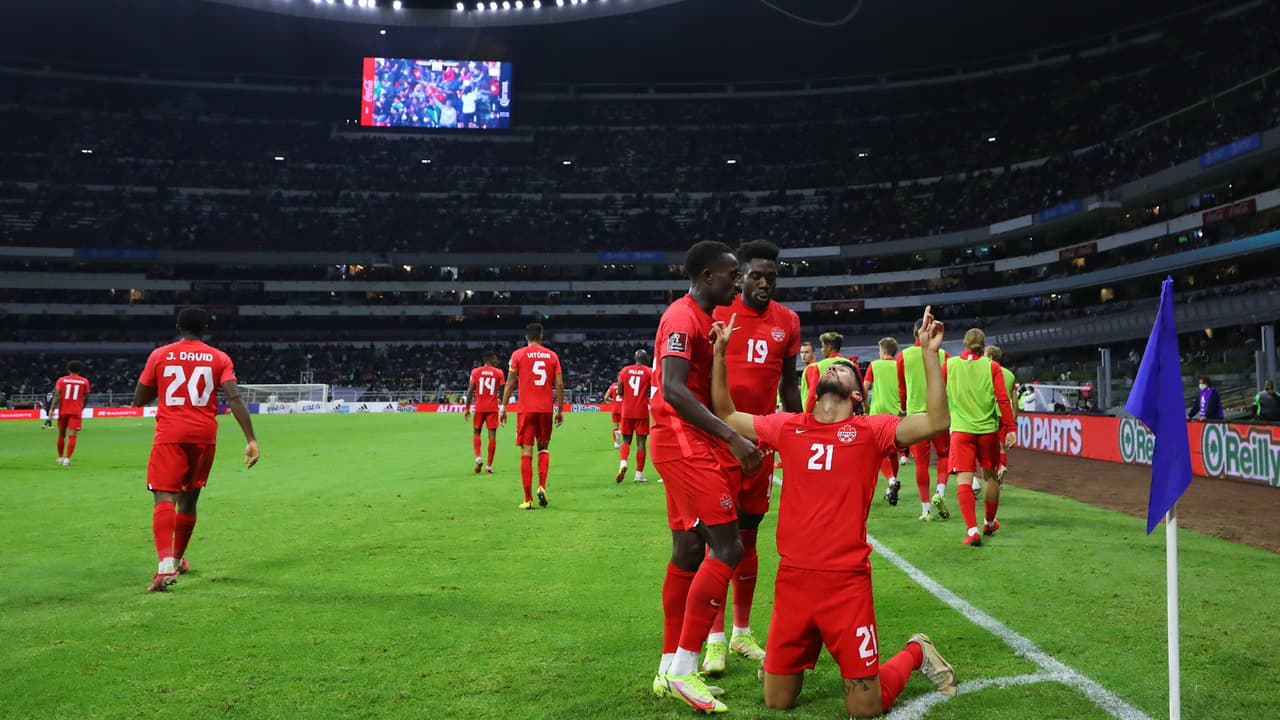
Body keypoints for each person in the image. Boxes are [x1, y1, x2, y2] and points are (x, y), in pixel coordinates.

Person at [710, 306, 958, 717]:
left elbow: (936, 421)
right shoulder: (788, 425)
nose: (837, 367)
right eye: (834, 367)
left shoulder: (872, 430)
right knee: (777, 702)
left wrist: (930, 354)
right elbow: (726, 414)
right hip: (793, 581)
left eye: (846, 370)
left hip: (846, 584)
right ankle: (781, 666)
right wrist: (720, 355)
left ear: (857, 395)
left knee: (865, 708)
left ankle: (917, 651)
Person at [650, 240, 762, 713]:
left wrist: (719, 354)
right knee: (728, 546)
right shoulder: (682, 318)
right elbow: (673, 390)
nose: (738, 283)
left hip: (686, 441)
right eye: (732, 275)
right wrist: (733, 438)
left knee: (689, 550)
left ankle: (667, 667)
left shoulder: (702, 319)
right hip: (683, 442)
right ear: (707, 276)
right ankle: (684, 669)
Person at [702, 239, 803, 678]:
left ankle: (741, 632)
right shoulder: (718, 313)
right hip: (718, 442)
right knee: (719, 540)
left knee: (749, 537)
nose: (765, 284)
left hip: (761, 446)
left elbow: (789, 387)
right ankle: (714, 638)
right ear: (740, 276)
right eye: (757, 276)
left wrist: (802, 434)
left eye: (771, 277)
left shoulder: (788, 321)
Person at [131, 308, 259, 592]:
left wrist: (161, 386)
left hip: (170, 434)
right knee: (189, 499)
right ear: (205, 330)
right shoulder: (219, 358)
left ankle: (166, 566)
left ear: (178, 327)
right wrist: (251, 439)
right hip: (204, 435)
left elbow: (139, 399)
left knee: (164, 495)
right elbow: (234, 397)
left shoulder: (160, 355)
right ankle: (178, 560)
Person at [946, 329, 1016, 546]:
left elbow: (936, 392)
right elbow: (1003, 400)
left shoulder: (950, 365)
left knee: (964, 480)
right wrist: (1010, 428)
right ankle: (989, 523)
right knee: (991, 477)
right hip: (987, 431)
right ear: (983, 345)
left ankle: (972, 531)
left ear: (964, 343)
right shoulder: (992, 367)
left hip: (961, 431)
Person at [499, 323, 565, 509]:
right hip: (545, 409)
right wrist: (560, 409)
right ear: (541, 336)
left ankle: (527, 499)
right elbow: (559, 384)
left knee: (526, 451)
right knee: (543, 449)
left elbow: (510, 383)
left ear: (526, 337)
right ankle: (541, 486)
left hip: (526, 410)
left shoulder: (517, 355)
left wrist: (503, 406)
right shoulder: (552, 356)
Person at [897, 317, 953, 521]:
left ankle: (925, 510)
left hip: (916, 416)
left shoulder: (903, 356)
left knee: (921, 463)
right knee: (944, 455)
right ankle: (940, 492)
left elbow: (902, 389)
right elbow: (947, 385)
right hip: (938, 414)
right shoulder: (944, 355)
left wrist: (904, 409)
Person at [862, 338, 902, 504]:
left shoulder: (874, 365)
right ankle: (890, 488)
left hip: (878, 415)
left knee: (879, 452)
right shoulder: (900, 366)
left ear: (883, 351)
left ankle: (891, 480)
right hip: (896, 415)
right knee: (893, 453)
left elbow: (864, 390)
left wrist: (865, 407)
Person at [464, 350, 506, 474]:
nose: (497, 360)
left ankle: (478, 458)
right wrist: (501, 403)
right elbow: (502, 390)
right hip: (492, 408)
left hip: (479, 407)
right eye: (495, 358)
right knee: (492, 436)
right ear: (490, 359)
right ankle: (489, 467)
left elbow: (470, 391)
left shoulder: (475, 372)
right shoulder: (499, 372)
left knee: (476, 432)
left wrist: (467, 408)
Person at [616, 350, 654, 483]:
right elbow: (654, 389)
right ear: (646, 358)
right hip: (641, 411)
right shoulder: (649, 372)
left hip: (627, 411)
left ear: (635, 358)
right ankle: (639, 474)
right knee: (641, 443)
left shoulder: (625, 370)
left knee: (626, 440)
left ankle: (623, 463)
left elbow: (620, 391)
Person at [801, 332, 862, 413]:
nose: (822, 350)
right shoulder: (853, 365)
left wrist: (807, 415)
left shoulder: (818, 366)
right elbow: (861, 391)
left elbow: (812, 395)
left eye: (823, 347)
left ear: (829, 348)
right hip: (847, 413)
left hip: (826, 413)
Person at [49, 360, 90, 467]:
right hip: (76, 411)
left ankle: (60, 458)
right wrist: (82, 408)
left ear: (68, 369)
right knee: (72, 436)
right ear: (80, 370)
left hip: (63, 410)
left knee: (61, 434)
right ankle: (67, 460)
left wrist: (52, 409)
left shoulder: (61, 380)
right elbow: (86, 397)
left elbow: (57, 396)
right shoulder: (84, 381)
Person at [985, 345, 1016, 482]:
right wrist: (1013, 420)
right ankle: (1001, 469)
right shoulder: (1010, 375)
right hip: (1005, 414)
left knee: (986, 447)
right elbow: (1014, 399)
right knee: (1001, 447)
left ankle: (994, 473)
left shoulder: (987, 371)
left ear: (990, 357)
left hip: (991, 412)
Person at [604, 381, 622, 449]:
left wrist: (613, 401)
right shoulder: (625, 386)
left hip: (615, 409)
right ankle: (620, 432)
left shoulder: (612, 386)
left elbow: (606, 397)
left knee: (615, 427)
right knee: (625, 427)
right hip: (623, 409)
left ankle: (616, 443)